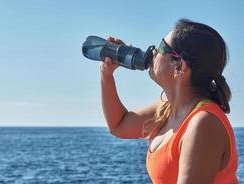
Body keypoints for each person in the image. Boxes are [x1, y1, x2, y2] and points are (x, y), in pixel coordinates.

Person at [100, 19, 238, 183]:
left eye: (161, 48)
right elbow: (119, 125)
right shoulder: (167, 108)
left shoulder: (204, 124)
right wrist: (106, 75)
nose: (152, 52)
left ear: (180, 66)